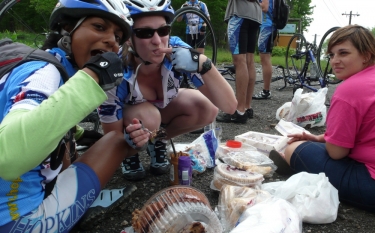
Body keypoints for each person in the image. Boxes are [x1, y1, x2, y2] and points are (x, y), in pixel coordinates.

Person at [0, 0, 151, 232]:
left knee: (69, 138)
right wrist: (93, 75)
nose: (112, 41)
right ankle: (77, 207)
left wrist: (78, 133)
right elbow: (8, 157)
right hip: (18, 222)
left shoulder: (32, 63)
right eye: (100, 27)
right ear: (66, 30)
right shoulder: (45, 74)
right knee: (116, 140)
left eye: (118, 37)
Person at [99, 0, 237, 181]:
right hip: (132, 119)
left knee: (207, 108)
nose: (157, 41)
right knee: (150, 118)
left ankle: (157, 142)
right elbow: (111, 137)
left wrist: (203, 64)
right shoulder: (115, 68)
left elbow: (230, 106)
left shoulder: (177, 50)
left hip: (159, 112)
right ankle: (131, 155)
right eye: (145, 33)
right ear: (128, 38)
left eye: (163, 30)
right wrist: (128, 145)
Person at [269, 25, 375, 213]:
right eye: (332, 55)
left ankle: (295, 164)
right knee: (314, 143)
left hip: (369, 180)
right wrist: (321, 138)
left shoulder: (349, 90)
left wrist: (329, 142)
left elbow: (337, 153)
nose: (335, 61)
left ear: (366, 55)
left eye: (343, 53)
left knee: (293, 147)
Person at [216, 0, 262, 124]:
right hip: (255, 15)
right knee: (249, 60)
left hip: (240, 14)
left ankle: (239, 111)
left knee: (240, 61)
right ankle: (247, 107)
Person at [252, 0, 277, 100]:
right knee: (266, 58)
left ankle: (266, 91)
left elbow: (264, 7)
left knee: (265, 59)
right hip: (269, 27)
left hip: (267, 27)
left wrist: (253, 2)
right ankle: (266, 90)